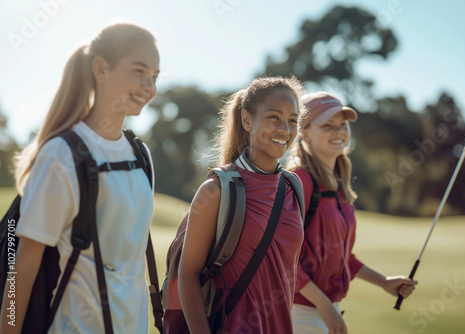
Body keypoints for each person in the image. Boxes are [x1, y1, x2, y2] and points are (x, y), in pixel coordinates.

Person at [0, 23, 160, 333]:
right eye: (139, 71)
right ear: (101, 68)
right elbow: (23, 269)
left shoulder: (142, 156)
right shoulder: (61, 154)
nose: (149, 86)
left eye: (154, 76)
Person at [173, 76, 306, 334]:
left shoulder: (293, 188)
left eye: (293, 121)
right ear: (247, 120)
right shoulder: (216, 190)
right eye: (274, 117)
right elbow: (187, 276)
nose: (285, 130)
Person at [286, 91, 417, 334]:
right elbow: (281, 258)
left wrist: (384, 282)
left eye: (343, 125)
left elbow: (341, 255)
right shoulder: (298, 181)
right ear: (304, 132)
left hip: (325, 309)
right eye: (328, 125)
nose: (339, 131)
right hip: (298, 313)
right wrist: (325, 306)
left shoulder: (338, 185)